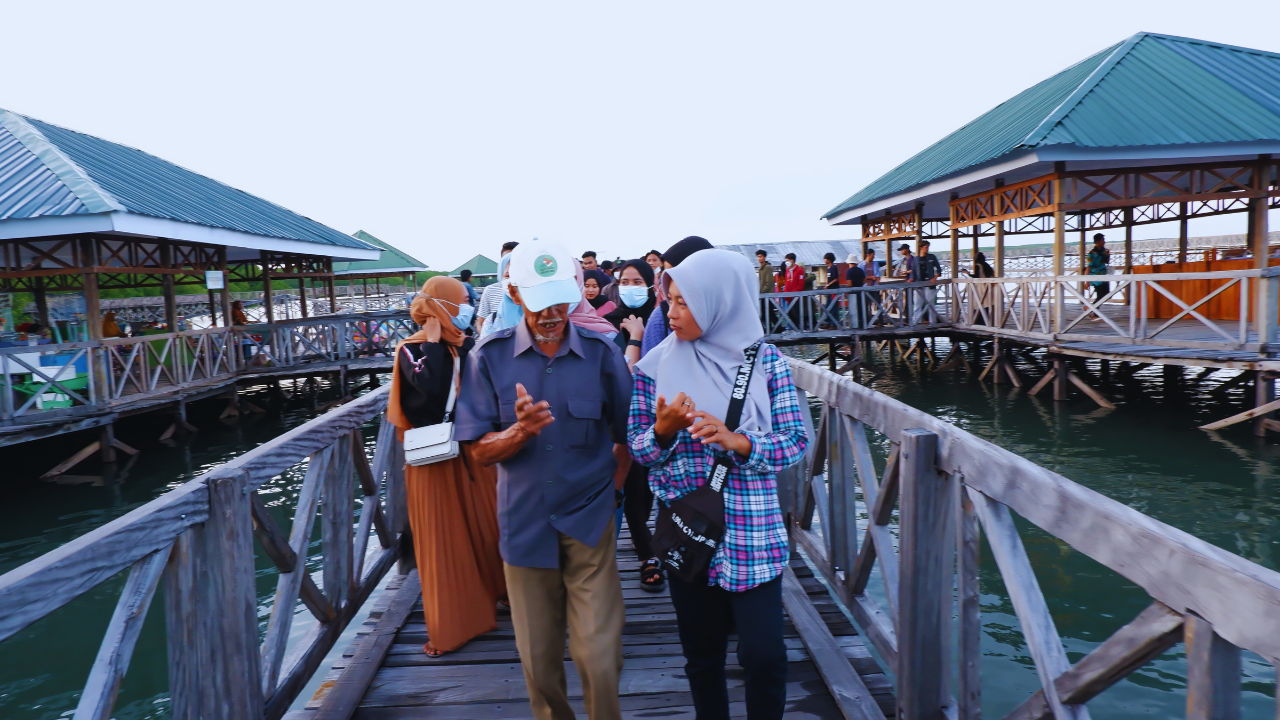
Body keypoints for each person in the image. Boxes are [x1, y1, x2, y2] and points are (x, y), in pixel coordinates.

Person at [455, 239, 631, 720]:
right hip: (525, 523)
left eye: (560, 298)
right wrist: (518, 432)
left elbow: (627, 434)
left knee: (599, 657)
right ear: (512, 291)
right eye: (538, 301)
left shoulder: (601, 352)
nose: (552, 312)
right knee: (538, 660)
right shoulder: (486, 358)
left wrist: (613, 492)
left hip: (590, 519)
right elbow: (476, 452)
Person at [629, 249, 808, 720]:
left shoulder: (766, 363)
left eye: (684, 302)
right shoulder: (655, 365)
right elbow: (638, 451)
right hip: (688, 533)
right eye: (669, 301)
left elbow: (793, 444)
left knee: (765, 655)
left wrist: (739, 442)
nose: (670, 313)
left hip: (753, 534)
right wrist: (663, 430)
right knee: (702, 656)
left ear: (719, 301)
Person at [388, 276, 505, 656]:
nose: (467, 307)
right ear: (440, 306)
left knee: (488, 527)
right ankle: (454, 625)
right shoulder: (414, 350)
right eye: (461, 301)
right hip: (435, 461)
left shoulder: (464, 346)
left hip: (472, 455)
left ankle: (500, 592)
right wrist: (435, 346)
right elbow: (427, 401)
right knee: (443, 542)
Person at [641, 236, 714, 358]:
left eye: (677, 272)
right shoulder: (662, 315)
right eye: (666, 273)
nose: (670, 280)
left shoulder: (734, 318)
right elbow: (648, 369)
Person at [476, 241, 520, 334]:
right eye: (506, 260)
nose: (510, 263)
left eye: (514, 259)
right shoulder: (490, 290)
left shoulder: (529, 290)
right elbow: (480, 323)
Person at [479, 253, 525, 338]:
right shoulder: (492, 321)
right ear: (501, 278)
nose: (512, 280)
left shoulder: (542, 315)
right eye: (508, 276)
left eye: (517, 275)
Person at [910, 240, 942, 324]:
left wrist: (935, 277)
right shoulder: (916, 259)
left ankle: (933, 321)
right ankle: (917, 321)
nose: (927, 249)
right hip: (918, 284)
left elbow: (938, 269)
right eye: (926, 247)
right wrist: (911, 278)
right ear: (921, 248)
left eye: (928, 247)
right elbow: (913, 271)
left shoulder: (932, 257)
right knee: (917, 304)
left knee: (930, 304)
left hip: (929, 283)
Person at [843, 254, 867, 328]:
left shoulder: (848, 271)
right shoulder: (860, 270)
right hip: (861, 292)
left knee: (853, 310)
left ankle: (854, 325)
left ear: (849, 262)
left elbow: (849, 284)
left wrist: (847, 288)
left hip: (853, 293)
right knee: (861, 308)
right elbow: (865, 280)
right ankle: (862, 324)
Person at [1088, 234, 1111, 303]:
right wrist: (1087, 282)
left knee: (1107, 294)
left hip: (1103, 275)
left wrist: (1108, 255)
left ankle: (1090, 308)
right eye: (1103, 240)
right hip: (1096, 277)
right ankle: (1092, 310)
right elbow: (1088, 267)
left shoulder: (1104, 251)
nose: (1104, 242)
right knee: (1100, 295)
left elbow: (1106, 262)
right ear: (1097, 241)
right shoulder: (1092, 253)